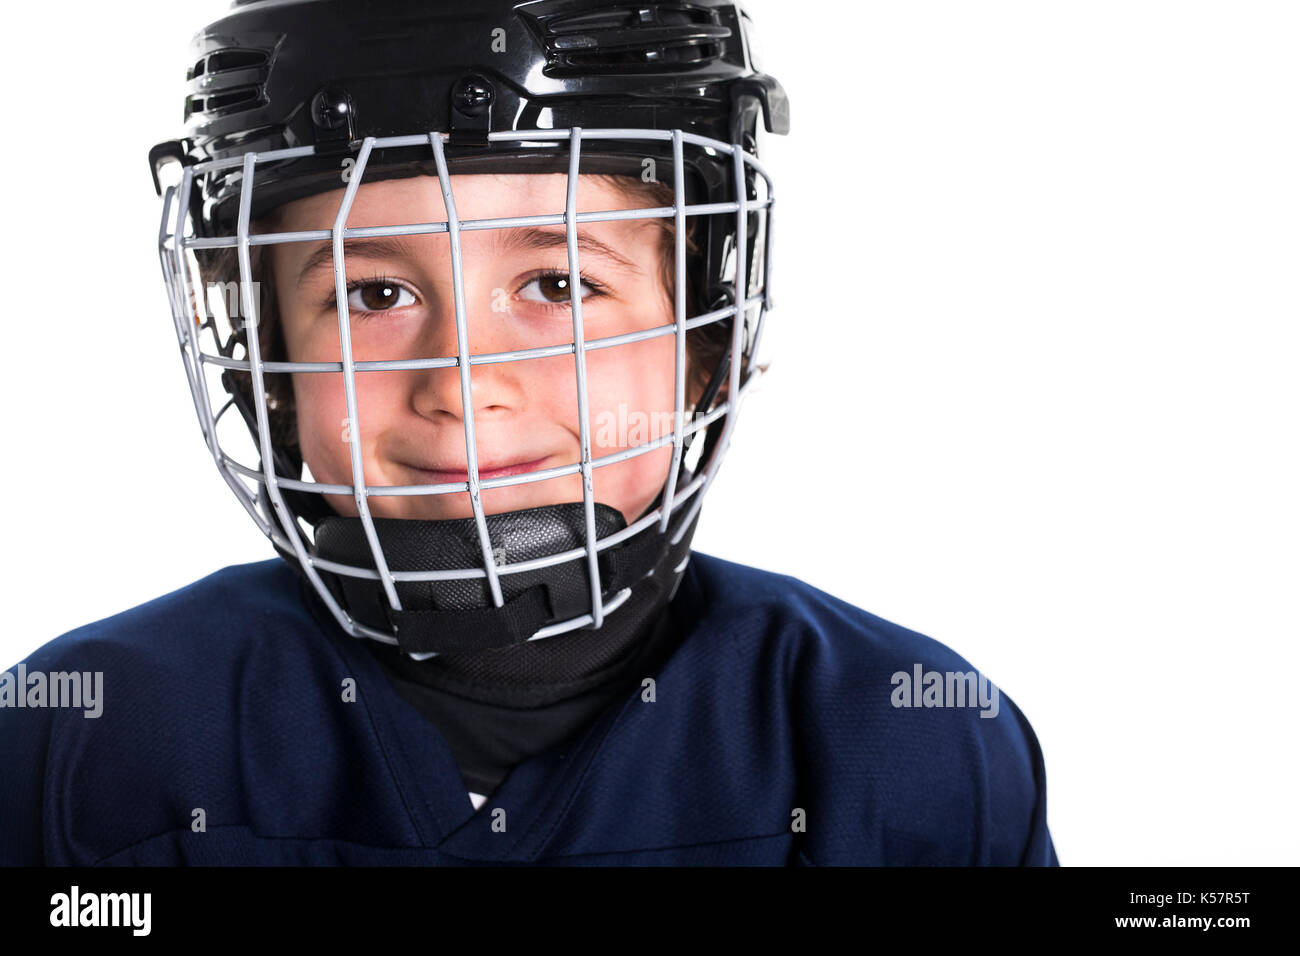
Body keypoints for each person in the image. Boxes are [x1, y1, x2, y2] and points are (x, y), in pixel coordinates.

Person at [0, 0, 1058, 866]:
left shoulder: (902, 743)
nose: (465, 381)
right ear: (263, 354)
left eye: (558, 282)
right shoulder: (84, 742)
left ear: (707, 338)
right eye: (371, 294)